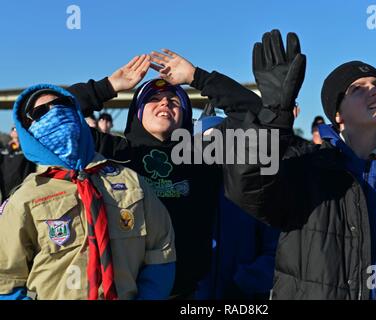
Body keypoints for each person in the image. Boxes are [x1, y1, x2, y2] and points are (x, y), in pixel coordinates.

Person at [225, 29, 376, 299]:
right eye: (358, 88)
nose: (374, 90)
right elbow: (248, 189)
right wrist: (274, 115)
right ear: (338, 114)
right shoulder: (307, 166)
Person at [68, 52, 267, 298]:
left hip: (185, 291)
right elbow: (48, 119)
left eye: (174, 100)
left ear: (185, 116)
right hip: (119, 290)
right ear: (137, 113)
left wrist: (197, 77)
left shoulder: (202, 154)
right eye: (153, 99)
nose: (164, 104)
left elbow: (257, 116)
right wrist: (108, 86)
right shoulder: (111, 150)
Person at [0, 85, 176, 300]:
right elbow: (7, 278)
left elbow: (161, 248)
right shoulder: (26, 198)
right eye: (41, 112)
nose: (56, 112)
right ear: (28, 129)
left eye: (62, 105)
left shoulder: (130, 181)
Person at [193, 108, 280, 300]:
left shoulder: (258, 189)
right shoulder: (185, 190)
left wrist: (245, 281)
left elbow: (278, 249)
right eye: (203, 141)